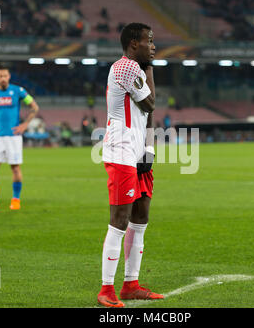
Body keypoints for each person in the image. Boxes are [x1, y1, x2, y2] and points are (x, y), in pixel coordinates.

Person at [97, 23, 163, 308]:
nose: (153, 45)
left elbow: (148, 114)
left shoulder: (137, 68)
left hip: (137, 152)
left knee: (141, 217)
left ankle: (131, 284)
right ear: (134, 44)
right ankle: (106, 289)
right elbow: (150, 103)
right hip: (120, 153)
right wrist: (149, 68)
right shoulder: (124, 68)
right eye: (149, 41)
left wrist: (148, 149)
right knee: (120, 220)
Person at [0, 66, 39, 210]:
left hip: (13, 137)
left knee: (15, 168)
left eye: (5, 76)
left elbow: (34, 107)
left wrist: (25, 124)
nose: (3, 78)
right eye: (0, 76)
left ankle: (15, 199)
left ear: (9, 77)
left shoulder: (18, 91)